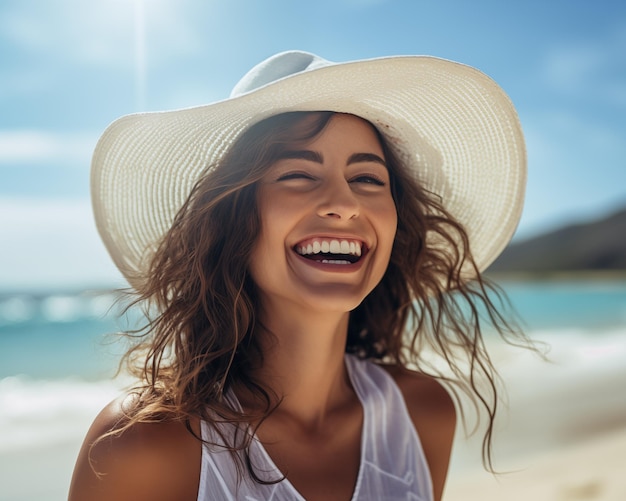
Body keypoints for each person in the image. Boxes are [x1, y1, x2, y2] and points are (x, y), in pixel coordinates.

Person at [69, 50, 527, 501]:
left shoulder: (424, 414)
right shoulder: (144, 446)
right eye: (297, 175)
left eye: (368, 179)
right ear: (233, 218)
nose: (344, 204)